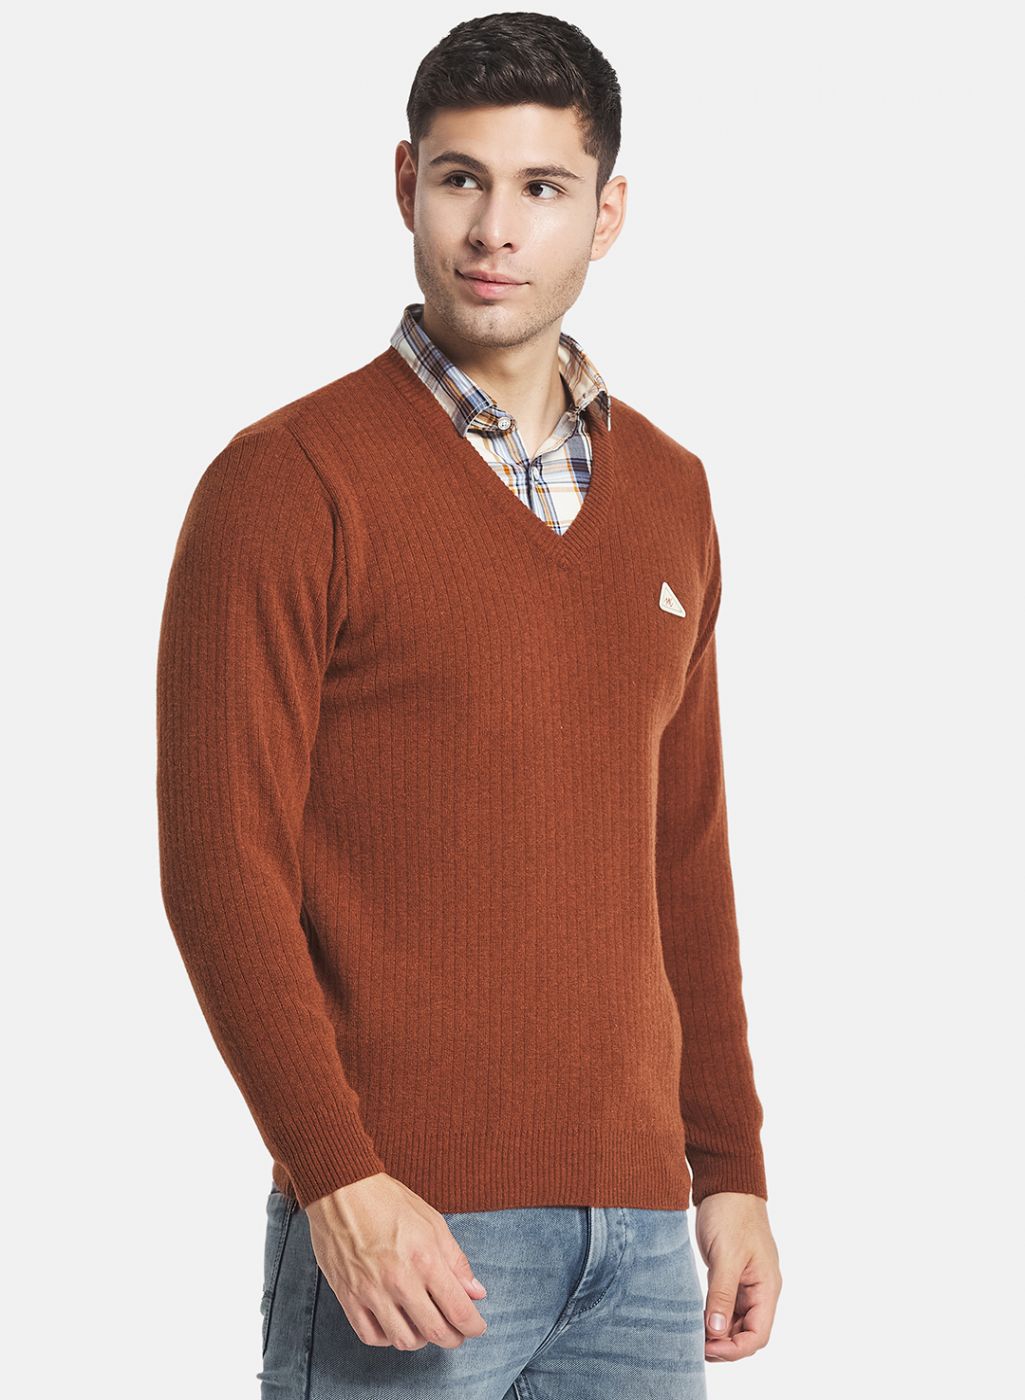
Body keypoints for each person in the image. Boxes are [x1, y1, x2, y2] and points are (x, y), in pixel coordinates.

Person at [156, 12, 782, 1398]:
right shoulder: (288, 482)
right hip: (407, 1225)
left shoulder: (671, 492)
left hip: (641, 1238)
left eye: (541, 187)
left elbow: (683, 856)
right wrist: (336, 1175)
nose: (495, 228)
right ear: (406, 185)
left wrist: (728, 1165)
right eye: (461, 180)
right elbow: (220, 864)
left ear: (605, 213)